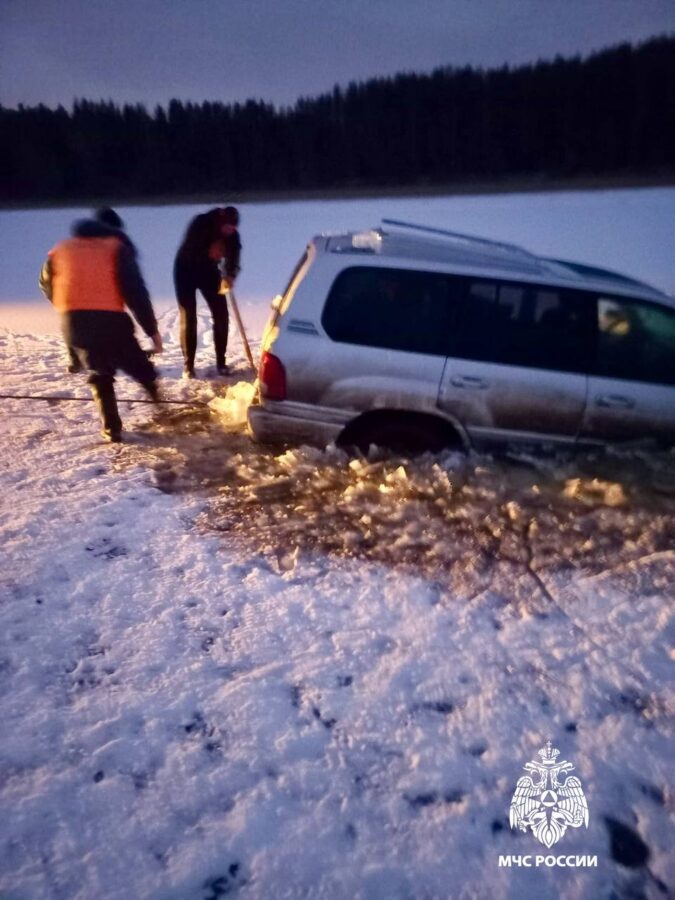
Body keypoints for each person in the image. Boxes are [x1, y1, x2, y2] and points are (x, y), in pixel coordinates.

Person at [39, 209, 163, 443]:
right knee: (137, 363)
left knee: (99, 372)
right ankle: (159, 403)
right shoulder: (116, 248)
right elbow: (136, 293)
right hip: (110, 319)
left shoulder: (62, 249)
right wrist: (152, 332)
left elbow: (46, 283)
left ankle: (111, 429)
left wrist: (67, 305)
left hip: (74, 321)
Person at [173, 205, 241, 378]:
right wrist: (209, 250)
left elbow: (234, 255)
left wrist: (231, 274)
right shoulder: (201, 222)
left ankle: (221, 362)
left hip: (210, 272)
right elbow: (190, 247)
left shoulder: (232, 236)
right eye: (227, 227)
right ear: (221, 222)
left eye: (233, 229)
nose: (229, 231)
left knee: (221, 314)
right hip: (185, 270)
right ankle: (189, 365)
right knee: (189, 316)